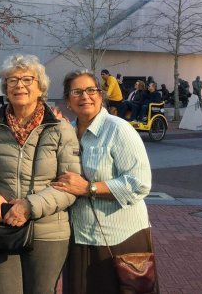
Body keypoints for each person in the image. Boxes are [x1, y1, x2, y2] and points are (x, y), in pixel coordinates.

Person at [0, 54, 81, 294]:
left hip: (49, 230)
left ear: (40, 87)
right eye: (12, 80)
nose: (19, 86)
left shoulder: (59, 128)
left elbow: (69, 186)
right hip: (2, 225)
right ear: (4, 87)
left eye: (27, 79)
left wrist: (28, 206)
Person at [53, 70, 154, 294]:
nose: (85, 96)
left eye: (91, 90)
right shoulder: (65, 131)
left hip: (119, 237)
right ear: (68, 101)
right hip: (79, 235)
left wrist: (89, 188)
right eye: (77, 92)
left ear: (101, 95)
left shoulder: (118, 129)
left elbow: (140, 183)